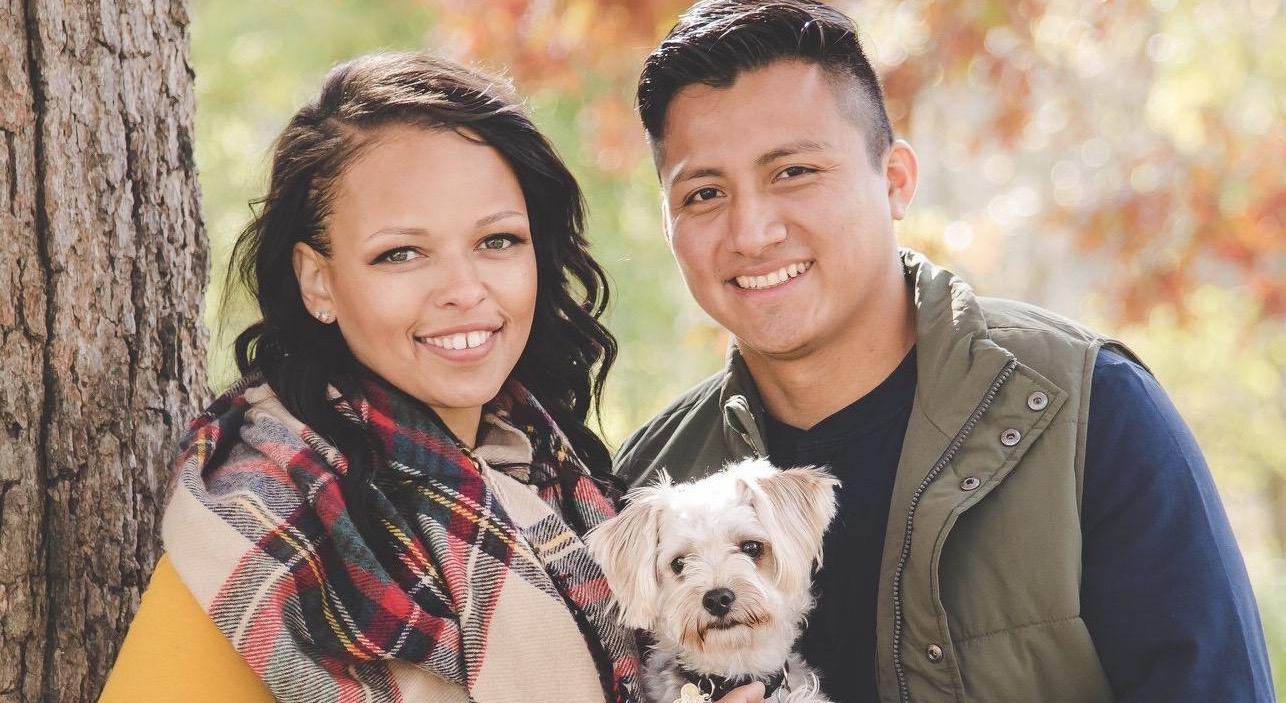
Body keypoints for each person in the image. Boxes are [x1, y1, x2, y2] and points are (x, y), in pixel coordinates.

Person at [612, 2, 1275, 702]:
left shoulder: (1085, 411)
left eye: (794, 171)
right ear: (668, 224)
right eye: (704, 193)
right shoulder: (640, 481)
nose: (752, 232)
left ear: (895, 180)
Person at [101, 51, 662, 703]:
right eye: (402, 253)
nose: (464, 289)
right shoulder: (265, 528)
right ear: (318, 280)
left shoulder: (557, 484)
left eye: (497, 240)